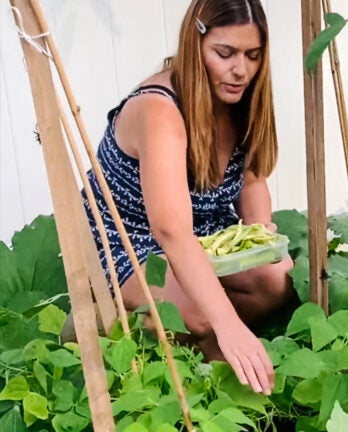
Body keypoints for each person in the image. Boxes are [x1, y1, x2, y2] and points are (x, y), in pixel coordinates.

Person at [82, 0, 292, 395]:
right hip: (132, 238)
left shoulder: (241, 98)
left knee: (276, 278)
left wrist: (260, 237)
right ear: (194, 47)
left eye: (253, 55)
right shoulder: (159, 110)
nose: (241, 70)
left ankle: (192, 333)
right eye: (224, 53)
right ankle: (159, 332)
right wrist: (228, 325)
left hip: (207, 231)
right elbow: (171, 231)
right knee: (200, 315)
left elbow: (250, 181)